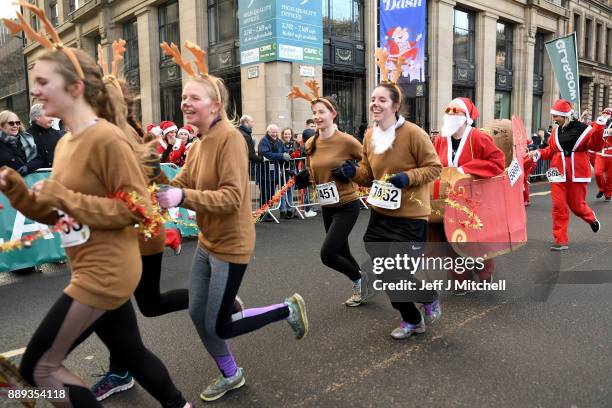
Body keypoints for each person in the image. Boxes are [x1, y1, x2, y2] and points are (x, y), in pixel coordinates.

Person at [0, 8, 191, 406]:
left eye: (41, 82)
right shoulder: (68, 142)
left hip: (106, 272)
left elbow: (136, 212)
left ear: (73, 88)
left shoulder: (107, 139)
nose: (34, 91)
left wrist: (66, 198)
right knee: (132, 354)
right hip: (89, 266)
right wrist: (20, 193)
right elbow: (58, 214)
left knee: (39, 369)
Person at [156, 40, 308, 402]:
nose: (185, 103)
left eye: (194, 97)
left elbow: (231, 198)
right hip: (208, 243)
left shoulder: (229, 139)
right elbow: (182, 181)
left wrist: (181, 198)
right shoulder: (201, 140)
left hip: (232, 245)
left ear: (216, 105)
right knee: (197, 314)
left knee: (220, 323)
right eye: (184, 97)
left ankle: (287, 308)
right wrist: (157, 187)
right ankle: (231, 374)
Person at [333, 55, 442, 338]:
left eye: (382, 100)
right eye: (372, 99)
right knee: (383, 270)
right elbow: (368, 175)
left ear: (395, 105)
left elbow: (434, 168)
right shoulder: (370, 136)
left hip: (411, 217)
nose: (375, 104)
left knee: (395, 272)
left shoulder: (414, 133)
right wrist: (351, 172)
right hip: (381, 215)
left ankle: (417, 312)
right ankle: (419, 307)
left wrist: (408, 178)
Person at [288, 81, 371, 306]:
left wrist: (351, 171)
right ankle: (364, 287)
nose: (317, 116)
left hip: (347, 205)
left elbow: (368, 167)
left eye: (321, 112)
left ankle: (360, 279)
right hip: (327, 206)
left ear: (333, 114)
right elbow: (316, 172)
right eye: (314, 113)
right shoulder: (311, 143)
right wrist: (306, 178)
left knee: (328, 254)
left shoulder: (346, 141)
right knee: (342, 253)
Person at [431, 98, 505, 292]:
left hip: (474, 199)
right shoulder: (440, 138)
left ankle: (485, 272)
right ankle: (461, 280)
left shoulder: (479, 137)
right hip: (447, 199)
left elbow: (498, 161)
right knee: (450, 239)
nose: (451, 114)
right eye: (448, 110)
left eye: (456, 111)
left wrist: (466, 169)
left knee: (476, 240)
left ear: (466, 117)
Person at [527, 100, 608, 251]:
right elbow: (550, 151)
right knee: (558, 206)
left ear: (565, 116)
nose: (554, 119)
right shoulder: (555, 133)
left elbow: (596, 145)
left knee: (577, 206)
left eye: (556, 116)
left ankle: (591, 218)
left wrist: (600, 125)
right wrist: (537, 153)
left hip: (577, 173)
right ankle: (560, 240)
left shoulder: (584, 130)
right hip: (557, 173)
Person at [257, 124, 291, 220]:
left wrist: (288, 154)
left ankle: (268, 212)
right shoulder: (264, 141)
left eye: (276, 132)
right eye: (273, 132)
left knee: (271, 194)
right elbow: (266, 154)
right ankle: (263, 213)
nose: (275, 134)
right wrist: (281, 156)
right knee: (265, 193)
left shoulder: (279, 141)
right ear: (268, 132)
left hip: (275, 172)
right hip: (265, 172)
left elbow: (285, 151)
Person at [0, 110, 43, 175]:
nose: (15, 126)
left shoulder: (26, 139)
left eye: (17, 123)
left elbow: (39, 160)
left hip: (28, 182)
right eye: (11, 123)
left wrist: (27, 167)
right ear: (1, 126)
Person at [26, 104, 65, 169]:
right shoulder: (26, 136)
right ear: (37, 117)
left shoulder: (58, 134)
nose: (52, 119)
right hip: (36, 178)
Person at [237, 114, 263, 180]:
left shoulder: (237, 132)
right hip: (242, 167)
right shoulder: (246, 136)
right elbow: (250, 154)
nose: (253, 123)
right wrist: (262, 159)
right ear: (246, 122)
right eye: (252, 121)